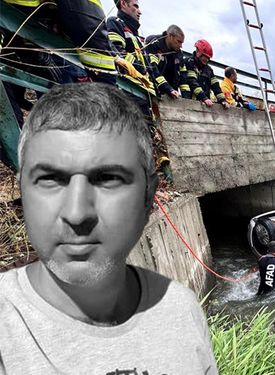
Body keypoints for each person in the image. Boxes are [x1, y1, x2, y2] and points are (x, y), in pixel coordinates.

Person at [0, 83, 218, 373]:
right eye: (51, 178)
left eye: (107, 179)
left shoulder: (181, 307)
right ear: (21, 191)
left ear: (149, 196)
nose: (77, 214)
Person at [106, 0, 154, 98]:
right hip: (128, 89)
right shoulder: (115, 22)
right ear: (123, 3)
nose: (139, 12)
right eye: (135, 6)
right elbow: (118, 51)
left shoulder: (134, 34)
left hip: (142, 91)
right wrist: (142, 69)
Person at [145, 25, 188, 99]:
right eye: (179, 42)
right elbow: (152, 68)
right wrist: (168, 88)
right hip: (152, 90)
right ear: (170, 36)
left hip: (171, 94)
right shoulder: (154, 43)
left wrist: (186, 98)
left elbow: (183, 77)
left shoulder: (179, 54)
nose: (181, 46)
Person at [184, 39, 226, 108]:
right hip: (190, 103)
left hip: (206, 104)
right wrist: (204, 98)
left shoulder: (209, 70)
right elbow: (192, 82)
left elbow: (215, 85)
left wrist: (222, 100)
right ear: (198, 52)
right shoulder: (189, 62)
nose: (206, 59)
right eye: (205, 56)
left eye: (208, 57)